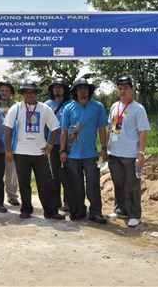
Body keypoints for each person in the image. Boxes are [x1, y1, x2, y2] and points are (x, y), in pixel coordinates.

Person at [4, 80, 65, 220]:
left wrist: (49, 145)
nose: (29, 94)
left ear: (36, 93)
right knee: (24, 183)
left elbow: (55, 127)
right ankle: (26, 209)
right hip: (20, 152)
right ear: (23, 94)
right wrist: (8, 149)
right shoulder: (16, 108)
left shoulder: (44, 108)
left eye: (32, 91)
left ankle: (50, 211)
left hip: (40, 152)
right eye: (26, 91)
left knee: (46, 183)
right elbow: (8, 128)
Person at [60, 78, 108, 224]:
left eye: (85, 88)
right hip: (72, 154)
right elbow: (64, 130)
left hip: (91, 154)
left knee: (93, 183)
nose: (83, 90)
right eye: (79, 88)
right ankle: (79, 210)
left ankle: (95, 212)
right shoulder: (68, 107)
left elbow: (102, 129)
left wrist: (104, 149)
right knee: (76, 183)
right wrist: (62, 150)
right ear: (75, 91)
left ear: (89, 90)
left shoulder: (98, 106)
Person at [107, 76, 151, 228]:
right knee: (118, 184)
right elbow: (110, 129)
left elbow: (143, 132)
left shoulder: (138, 109)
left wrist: (141, 153)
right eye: (120, 88)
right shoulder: (114, 106)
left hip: (131, 154)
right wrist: (106, 148)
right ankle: (121, 211)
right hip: (114, 153)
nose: (123, 90)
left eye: (126, 87)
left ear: (132, 90)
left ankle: (134, 214)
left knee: (132, 185)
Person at [45, 78, 71, 211]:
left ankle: (68, 201)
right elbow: (43, 125)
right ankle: (56, 201)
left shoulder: (71, 104)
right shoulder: (47, 104)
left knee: (68, 174)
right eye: (55, 87)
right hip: (52, 145)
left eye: (60, 87)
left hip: (68, 146)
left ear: (65, 89)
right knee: (54, 174)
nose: (57, 89)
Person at [0, 80, 20, 206]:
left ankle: (12, 195)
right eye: (2, 90)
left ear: (10, 92)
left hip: (12, 142)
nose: (4, 92)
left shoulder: (16, 105)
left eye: (6, 90)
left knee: (12, 171)